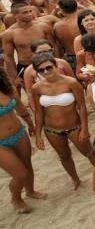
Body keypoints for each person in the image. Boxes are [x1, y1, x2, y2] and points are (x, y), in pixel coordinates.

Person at [31, 52, 95, 190]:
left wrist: (85, 129)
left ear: (56, 66)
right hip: (51, 130)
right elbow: (38, 112)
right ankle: (75, 179)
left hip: (74, 126)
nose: (45, 71)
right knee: (64, 156)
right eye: (41, 70)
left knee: (90, 152)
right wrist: (38, 135)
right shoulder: (37, 88)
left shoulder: (71, 82)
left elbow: (82, 107)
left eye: (48, 67)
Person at [0, 67, 46, 213]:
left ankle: (30, 191)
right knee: (20, 174)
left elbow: (20, 108)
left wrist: (31, 125)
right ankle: (16, 199)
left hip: (19, 134)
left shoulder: (6, 88)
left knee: (27, 165)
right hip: (1, 143)